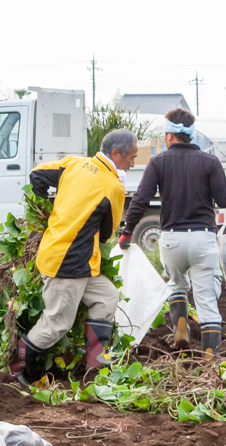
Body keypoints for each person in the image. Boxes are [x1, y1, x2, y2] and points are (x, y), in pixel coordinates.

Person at [119, 108, 226, 359]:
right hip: (202, 239)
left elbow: (141, 199)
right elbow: (223, 199)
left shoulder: (158, 162)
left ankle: (181, 328)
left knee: (176, 284)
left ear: (169, 136)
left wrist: (127, 231)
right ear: (190, 135)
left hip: (171, 241)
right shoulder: (210, 162)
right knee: (207, 303)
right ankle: (211, 361)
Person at [11, 130, 138, 385]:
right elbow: (106, 234)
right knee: (58, 323)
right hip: (69, 263)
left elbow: (37, 175)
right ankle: (18, 366)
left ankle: (95, 369)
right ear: (115, 154)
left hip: (65, 256)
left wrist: (48, 211)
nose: (133, 163)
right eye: (132, 158)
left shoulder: (74, 163)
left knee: (107, 296)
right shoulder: (113, 187)